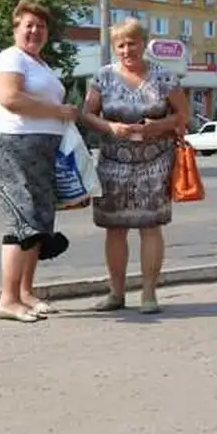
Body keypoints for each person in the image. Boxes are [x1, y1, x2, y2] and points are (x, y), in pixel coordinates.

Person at [0, 0, 78, 323]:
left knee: (39, 224)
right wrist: (58, 111)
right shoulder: (10, 58)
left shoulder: (42, 65)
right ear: (16, 29)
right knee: (21, 221)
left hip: (42, 151)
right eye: (28, 25)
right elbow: (11, 98)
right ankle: (8, 300)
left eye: (41, 26)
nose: (35, 31)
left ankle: (25, 293)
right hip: (12, 147)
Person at [82, 18, 189, 314]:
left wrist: (159, 125)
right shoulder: (102, 77)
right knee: (114, 229)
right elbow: (87, 113)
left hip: (155, 162)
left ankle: (149, 295)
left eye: (132, 43)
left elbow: (183, 115)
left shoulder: (164, 76)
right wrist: (109, 126)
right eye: (121, 44)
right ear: (115, 47)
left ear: (143, 43)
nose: (127, 49)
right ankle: (116, 294)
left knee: (150, 226)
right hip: (113, 163)